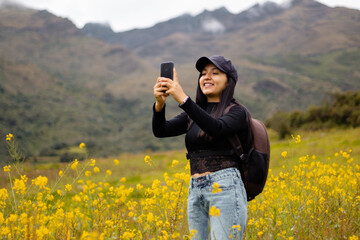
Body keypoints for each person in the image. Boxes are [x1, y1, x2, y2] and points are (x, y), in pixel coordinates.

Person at [152, 55, 248, 239]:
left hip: (226, 187)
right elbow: (161, 130)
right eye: (203, 74)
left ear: (229, 81)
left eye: (215, 73)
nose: (207, 77)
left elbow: (216, 129)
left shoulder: (237, 111)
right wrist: (160, 103)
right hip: (195, 189)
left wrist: (183, 99)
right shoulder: (193, 115)